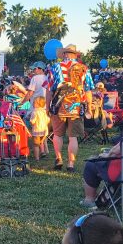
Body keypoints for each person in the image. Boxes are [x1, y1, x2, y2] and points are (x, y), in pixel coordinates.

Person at [46, 44, 94, 172]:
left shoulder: (55, 67)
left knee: (57, 134)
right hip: (77, 107)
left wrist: (47, 107)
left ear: (64, 54)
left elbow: (49, 90)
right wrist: (89, 108)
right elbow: (88, 91)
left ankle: (59, 158)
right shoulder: (84, 69)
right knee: (73, 137)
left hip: (58, 105)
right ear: (75, 55)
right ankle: (71, 164)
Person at [27, 95, 49, 160]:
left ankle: (37, 158)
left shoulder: (34, 112)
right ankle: (42, 152)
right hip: (44, 130)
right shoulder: (44, 111)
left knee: (36, 144)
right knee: (41, 142)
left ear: (37, 104)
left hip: (37, 130)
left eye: (34, 103)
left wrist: (30, 121)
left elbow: (32, 121)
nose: (33, 104)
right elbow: (48, 120)